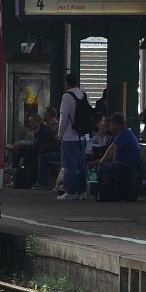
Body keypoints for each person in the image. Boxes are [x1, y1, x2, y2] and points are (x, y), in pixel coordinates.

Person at [92, 112, 141, 200]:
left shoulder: (123, 133)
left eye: (111, 123)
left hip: (127, 164)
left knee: (100, 169)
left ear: (116, 124)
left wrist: (102, 162)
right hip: (122, 162)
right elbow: (113, 155)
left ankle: (107, 191)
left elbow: (112, 148)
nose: (109, 126)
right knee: (98, 167)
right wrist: (97, 162)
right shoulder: (123, 133)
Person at [57, 73, 89, 201]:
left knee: (70, 165)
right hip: (83, 136)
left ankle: (70, 191)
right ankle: (82, 191)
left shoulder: (67, 96)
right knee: (81, 165)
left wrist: (60, 134)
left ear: (67, 83)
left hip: (70, 136)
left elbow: (64, 116)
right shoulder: (83, 95)